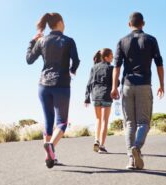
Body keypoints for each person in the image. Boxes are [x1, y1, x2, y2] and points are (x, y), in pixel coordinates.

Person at [111, 12, 165, 170]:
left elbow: (116, 67)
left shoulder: (122, 41)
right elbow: (159, 64)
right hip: (144, 84)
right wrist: (162, 84)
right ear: (143, 23)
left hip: (127, 85)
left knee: (129, 123)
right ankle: (137, 147)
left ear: (129, 24)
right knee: (143, 123)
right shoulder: (151, 39)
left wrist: (114, 86)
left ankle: (130, 160)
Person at [26, 13, 80, 168]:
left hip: (43, 85)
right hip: (61, 84)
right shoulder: (68, 41)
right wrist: (73, 70)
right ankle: (51, 146)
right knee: (62, 123)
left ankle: (49, 157)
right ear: (61, 23)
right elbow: (75, 60)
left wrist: (32, 41)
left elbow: (29, 60)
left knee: (48, 122)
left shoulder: (41, 40)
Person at [85, 48, 116, 154]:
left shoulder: (94, 67)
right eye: (111, 55)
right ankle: (102, 146)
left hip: (95, 96)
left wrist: (86, 98)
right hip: (106, 95)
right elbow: (116, 82)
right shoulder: (111, 68)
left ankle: (96, 140)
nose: (113, 57)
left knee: (98, 120)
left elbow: (89, 83)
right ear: (106, 57)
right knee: (104, 121)